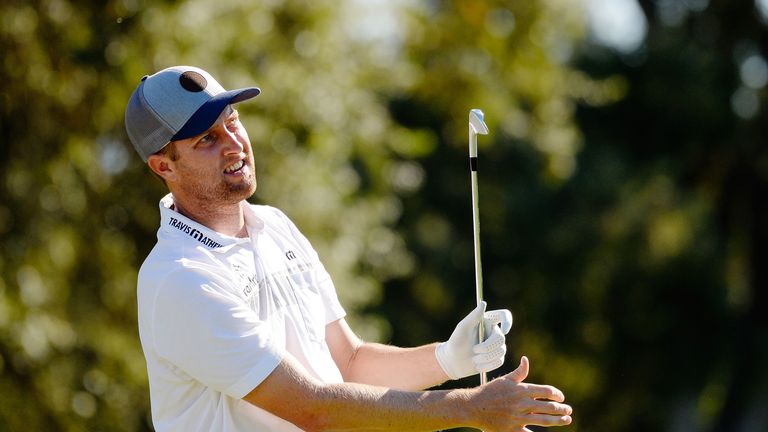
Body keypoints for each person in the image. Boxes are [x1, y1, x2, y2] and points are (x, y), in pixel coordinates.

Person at [124, 65, 573, 432]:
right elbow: (312, 407)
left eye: (232, 122)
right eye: (206, 138)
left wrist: (448, 358)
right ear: (163, 165)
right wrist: (468, 407)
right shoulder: (180, 276)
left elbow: (348, 363)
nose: (234, 144)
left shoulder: (275, 225)